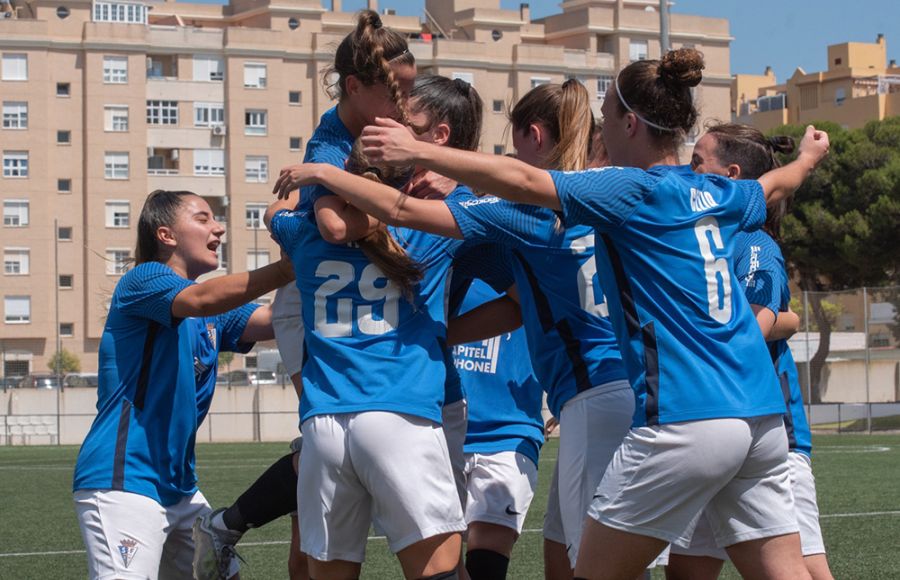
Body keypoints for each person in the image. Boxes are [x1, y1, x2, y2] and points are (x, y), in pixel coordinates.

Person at [357, 48, 831, 580]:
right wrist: (809, 156)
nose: (598, 132)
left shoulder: (628, 188)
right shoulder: (714, 188)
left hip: (685, 411)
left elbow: (524, 183)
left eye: (605, 117)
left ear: (630, 122)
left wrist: (422, 153)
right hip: (761, 414)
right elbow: (775, 186)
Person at [274, 79, 634, 576]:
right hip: (416, 409)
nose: (398, 135)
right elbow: (507, 289)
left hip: (333, 417)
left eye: (410, 131)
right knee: (493, 564)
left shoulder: (312, 228)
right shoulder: (602, 195)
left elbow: (305, 219)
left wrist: (319, 177)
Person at [191, 10, 417, 578]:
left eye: (412, 92)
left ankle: (231, 526)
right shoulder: (329, 140)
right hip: (312, 300)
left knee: (324, 449)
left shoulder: (379, 131)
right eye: (396, 92)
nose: (405, 107)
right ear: (355, 88)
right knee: (322, 440)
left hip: (343, 294)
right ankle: (226, 526)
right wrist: (400, 216)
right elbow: (337, 229)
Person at [71, 190, 293, 580]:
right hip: (123, 481)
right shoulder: (144, 279)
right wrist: (286, 269)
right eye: (203, 218)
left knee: (222, 577)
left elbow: (277, 319)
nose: (219, 228)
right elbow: (202, 300)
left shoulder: (214, 311)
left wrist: (312, 246)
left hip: (181, 490)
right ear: (166, 235)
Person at [665, 123, 834, 580]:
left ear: (733, 175)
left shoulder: (754, 244)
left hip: (769, 436)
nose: (688, 171)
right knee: (685, 568)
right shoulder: (705, 240)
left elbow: (754, 327)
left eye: (698, 162)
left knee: (804, 569)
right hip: (712, 429)